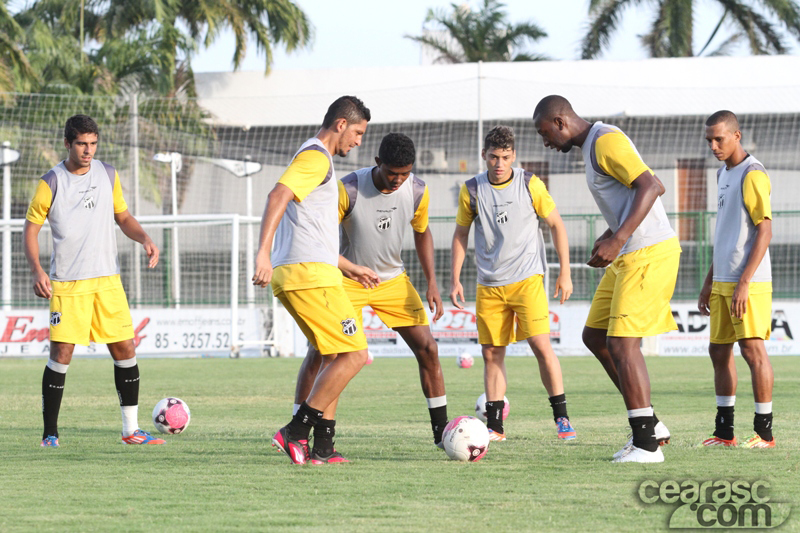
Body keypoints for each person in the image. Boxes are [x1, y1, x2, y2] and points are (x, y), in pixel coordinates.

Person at [533, 95, 680, 463]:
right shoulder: (593, 147)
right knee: (594, 336)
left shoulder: (605, 140)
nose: (545, 141)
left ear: (560, 121)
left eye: (545, 132)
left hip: (648, 252)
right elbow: (636, 190)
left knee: (624, 345)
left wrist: (618, 237)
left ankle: (646, 445)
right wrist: (611, 231)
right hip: (630, 251)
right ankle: (652, 424)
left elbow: (651, 186)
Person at [293, 133, 448, 451]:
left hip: (393, 282)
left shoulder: (417, 190)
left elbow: (422, 232)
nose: (398, 180)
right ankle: (315, 434)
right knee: (328, 354)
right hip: (347, 281)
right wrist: (343, 269)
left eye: (404, 173)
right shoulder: (347, 189)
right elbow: (322, 237)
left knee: (428, 349)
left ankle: (442, 433)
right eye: (393, 173)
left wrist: (432, 281)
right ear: (378, 163)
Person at [23, 114, 164, 447]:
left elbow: (123, 216)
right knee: (61, 353)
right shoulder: (51, 181)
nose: (88, 151)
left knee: (125, 348)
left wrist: (144, 238)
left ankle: (131, 430)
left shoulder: (108, 174)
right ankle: (50, 435)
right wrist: (37, 269)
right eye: (81, 144)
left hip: (107, 281)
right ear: (67, 143)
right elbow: (31, 229)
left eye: (93, 143)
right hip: (69, 283)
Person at [253, 95, 371, 465]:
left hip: (311, 271)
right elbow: (277, 195)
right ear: (340, 124)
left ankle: (322, 446)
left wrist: (348, 266)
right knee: (356, 355)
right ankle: (295, 431)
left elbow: (309, 228)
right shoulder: (316, 156)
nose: (359, 141)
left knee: (334, 354)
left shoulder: (317, 159)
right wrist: (262, 253)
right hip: (308, 277)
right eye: (358, 132)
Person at [449, 125, 577, 443]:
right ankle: (495, 427)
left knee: (541, 346)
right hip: (489, 284)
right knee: (492, 353)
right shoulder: (472, 190)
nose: (499, 163)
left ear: (514, 156)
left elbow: (556, 225)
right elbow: (461, 235)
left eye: (505, 157)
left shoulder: (530, 183)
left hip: (528, 279)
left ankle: (562, 419)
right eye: (493, 157)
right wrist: (454, 278)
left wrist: (565, 272)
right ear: (484, 156)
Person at [698, 110, 775, 449]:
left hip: (750, 282)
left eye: (719, 139)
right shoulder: (722, 174)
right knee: (718, 350)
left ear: (736, 135)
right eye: (709, 140)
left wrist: (744, 281)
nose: (714, 145)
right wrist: (709, 279)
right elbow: (726, 233)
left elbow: (765, 230)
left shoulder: (753, 173)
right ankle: (725, 432)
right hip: (723, 279)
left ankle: (765, 433)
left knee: (752, 350)